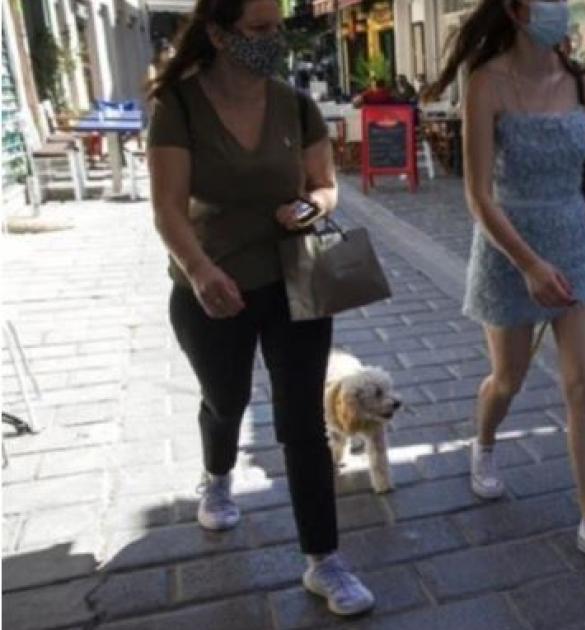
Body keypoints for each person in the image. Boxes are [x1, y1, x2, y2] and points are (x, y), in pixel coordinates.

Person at [145, 0, 374, 616]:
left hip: (297, 279)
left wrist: (313, 207)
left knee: (302, 421)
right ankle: (217, 474)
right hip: (214, 284)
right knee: (227, 399)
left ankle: (324, 560)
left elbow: (325, 185)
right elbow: (167, 207)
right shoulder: (179, 107)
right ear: (219, 34)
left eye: (278, 28)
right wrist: (200, 270)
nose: (274, 40)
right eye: (258, 30)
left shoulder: (293, 104)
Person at [422, 0, 585, 576]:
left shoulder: (581, 80)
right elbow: (478, 196)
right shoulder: (486, 84)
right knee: (509, 378)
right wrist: (529, 265)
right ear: (518, 11)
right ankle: (484, 443)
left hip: (574, 239)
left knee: (583, 384)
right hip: (509, 246)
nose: (561, 9)